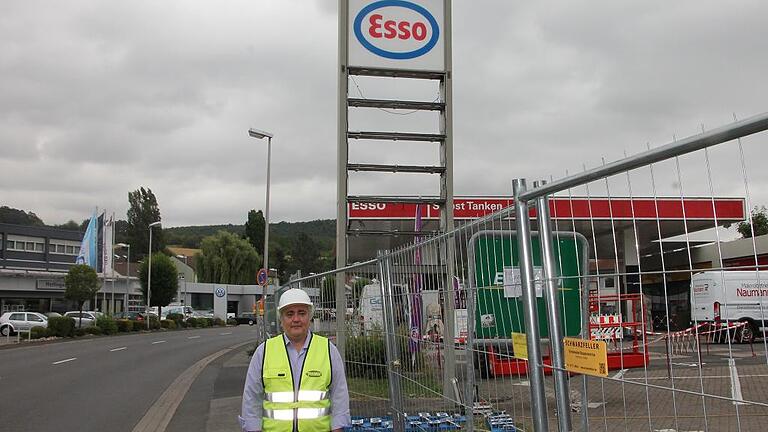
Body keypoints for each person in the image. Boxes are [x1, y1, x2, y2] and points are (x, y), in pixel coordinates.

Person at [240, 288, 350, 432]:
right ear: (281, 319)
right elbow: (251, 399)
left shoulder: (328, 350)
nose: (296, 319)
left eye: (302, 313)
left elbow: (339, 397)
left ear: (309, 317)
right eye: (289, 314)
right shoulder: (264, 352)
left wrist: (338, 428)